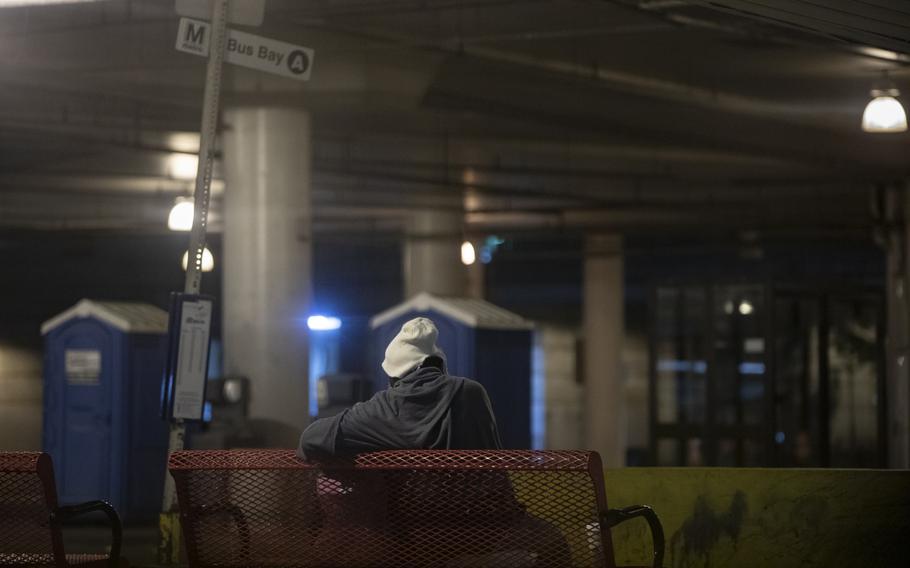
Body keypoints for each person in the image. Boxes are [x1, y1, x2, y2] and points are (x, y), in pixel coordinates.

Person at [297, 317, 501, 459]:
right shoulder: (472, 392)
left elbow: (311, 438)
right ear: (439, 365)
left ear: (395, 375)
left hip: (414, 516)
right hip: (483, 515)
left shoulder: (386, 407)